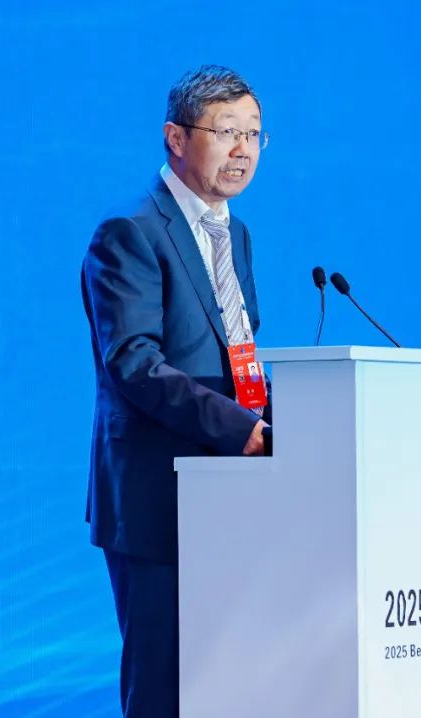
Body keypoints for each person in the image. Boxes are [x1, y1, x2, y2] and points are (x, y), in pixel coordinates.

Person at [80, 65, 272, 717]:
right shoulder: (130, 232)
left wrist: (280, 414)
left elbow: (236, 352)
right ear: (177, 137)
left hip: (232, 491)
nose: (243, 149)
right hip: (158, 500)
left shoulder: (235, 234)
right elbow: (134, 364)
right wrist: (241, 429)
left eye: (254, 134)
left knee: (227, 684)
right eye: (227, 132)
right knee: (164, 690)